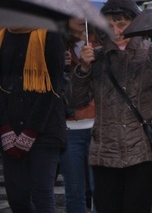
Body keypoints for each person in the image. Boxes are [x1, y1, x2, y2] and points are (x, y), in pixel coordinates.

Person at [71, 0, 152, 213]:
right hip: (105, 154)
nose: (116, 31)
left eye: (122, 24)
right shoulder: (97, 57)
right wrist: (83, 68)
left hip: (143, 152)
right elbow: (76, 101)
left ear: (136, 22)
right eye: (109, 25)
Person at [0, 27, 66, 213]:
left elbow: (54, 87)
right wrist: (4, 127)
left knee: (42, 195)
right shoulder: (3, 34)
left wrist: (31, 131)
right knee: (17, 198)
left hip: (44, 129)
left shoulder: (51, 34)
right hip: (10, 128)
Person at [60, 18, 98, 213]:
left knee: (99, 188)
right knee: (74, 190)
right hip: (69, 128)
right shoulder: (57, 43)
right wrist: (62, 65)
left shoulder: (98, 43)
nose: (77, 16)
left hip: (97, 125)